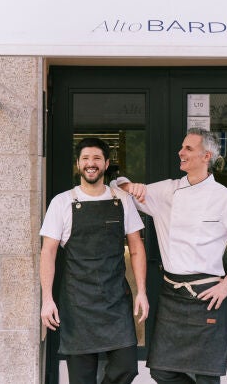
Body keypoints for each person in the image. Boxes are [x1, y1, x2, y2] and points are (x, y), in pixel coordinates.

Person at [115, 128, 227, 384]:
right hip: (171, 294)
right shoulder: (167, 191)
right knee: (161, 371)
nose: (181, 152)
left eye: (188, 148)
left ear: (206, 156)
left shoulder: (225, 198)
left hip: (207, 296)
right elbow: (118, 188)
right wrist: (129, 185)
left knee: (207, 377)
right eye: (182, 147)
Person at [40, 137, 149, 384]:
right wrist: (47, 299)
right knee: (81, 378)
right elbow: (48, 252)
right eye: (86, 159)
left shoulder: (121, 199)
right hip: (78, 305)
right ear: (78, 164)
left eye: (97, 159)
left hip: (115, 301)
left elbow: (136, 247)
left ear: (106, 163)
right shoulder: (62, 202)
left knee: (127, 367)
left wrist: (141, 291)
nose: (91, 164)